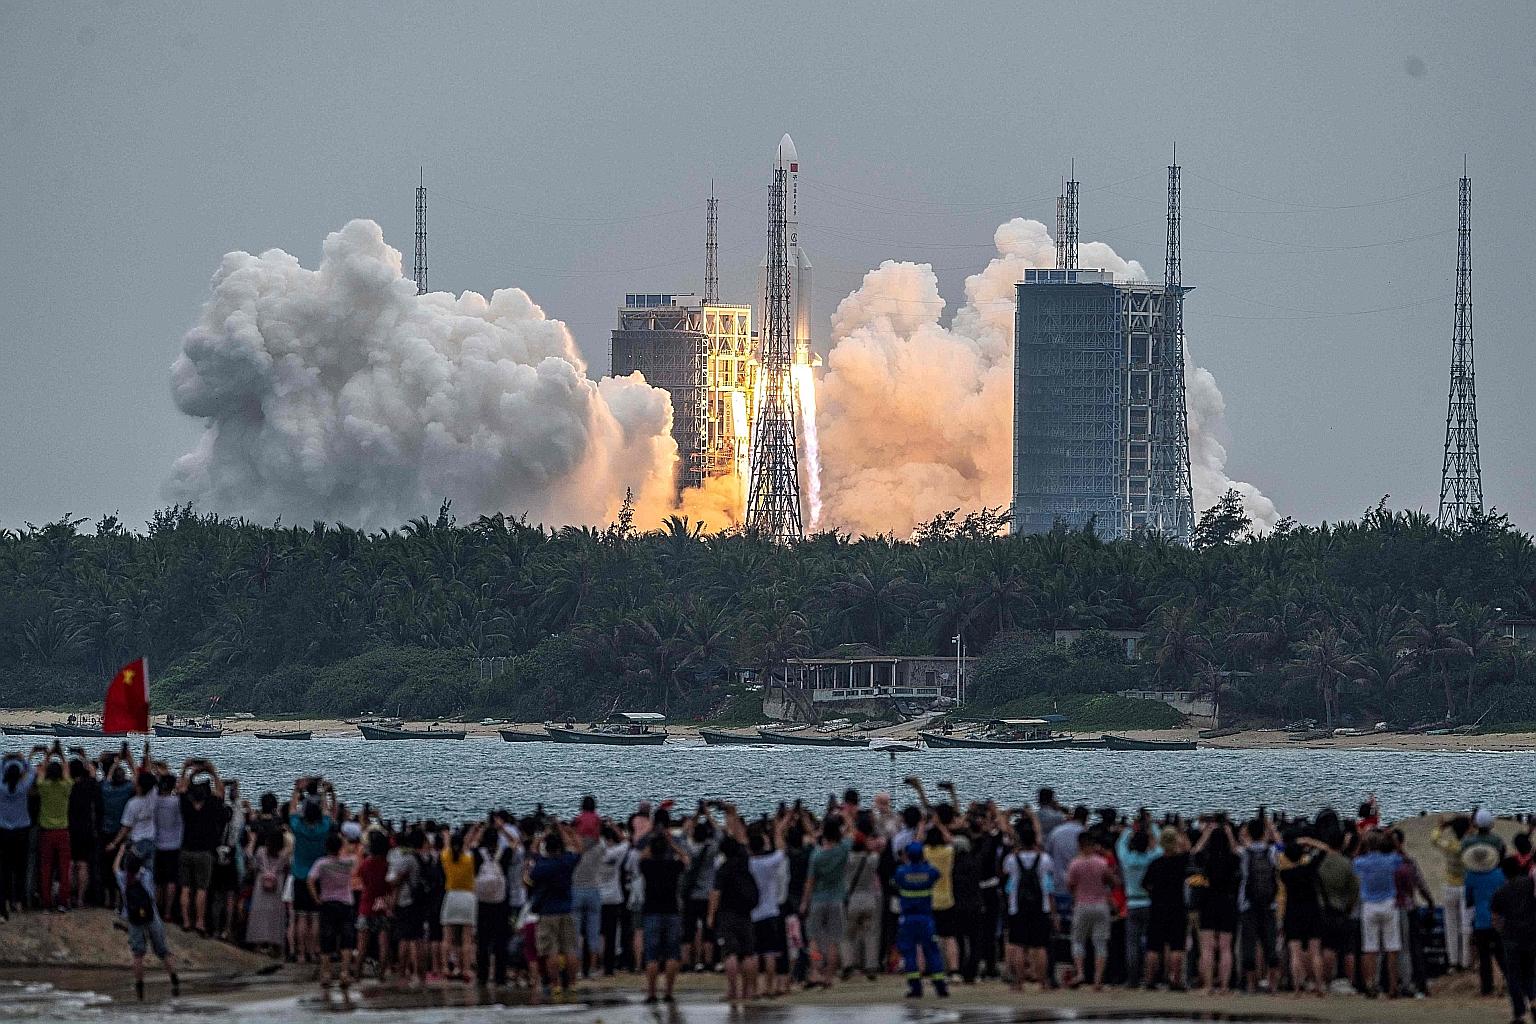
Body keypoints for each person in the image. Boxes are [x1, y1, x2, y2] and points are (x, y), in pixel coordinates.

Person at [114, 846, 179, 1002]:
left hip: (133, 918)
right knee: (162, 951)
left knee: (138, 954)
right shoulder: (146, 876)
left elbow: (114, 867)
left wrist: (121, 851)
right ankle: (174, 979)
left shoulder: (122, 878)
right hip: (152, 916)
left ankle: (140, 988)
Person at [527, 820, 581, 1000]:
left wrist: (541, 836)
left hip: (547, 911)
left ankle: (555, 984)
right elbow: (579, 849)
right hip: (566, 909)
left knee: (551, 951)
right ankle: (572, 984)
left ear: (547, 848)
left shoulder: (543, 865)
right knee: (570, 949)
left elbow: (532, 854)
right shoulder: (567, 862)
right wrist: (566, 833)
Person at [1002, 814, 1053, 992]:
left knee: (1018, 945)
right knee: (1039, 946)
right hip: (1041, 906)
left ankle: (1018, 982)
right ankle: (1042, 982)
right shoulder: (1045, 859)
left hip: (1017, 906)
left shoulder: (1011, 860)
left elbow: (1006, 874)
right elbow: (1048, 884)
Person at [177, 762, 229, 935]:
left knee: (185, 887)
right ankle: (199, 922)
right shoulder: (211, 806)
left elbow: (181, 788)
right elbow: (221, 791)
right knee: (201, 889)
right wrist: (212, 771)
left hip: (186, 849)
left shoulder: (185, 805)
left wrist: (187, 770)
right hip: (204, 852)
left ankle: (185, 921)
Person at [639, 827, 689, 1002]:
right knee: (672, 954)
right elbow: (686, 859)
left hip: (652, 910)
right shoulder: (673, 866)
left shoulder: (648, 866)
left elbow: (641, 857)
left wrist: (652, 843)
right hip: (671, 910)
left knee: (651, 955)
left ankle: (651, 993)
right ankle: (668, 992)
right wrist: (672, 844)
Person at [893, 841, 949, 998]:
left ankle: (915, 987)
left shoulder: (902, 872)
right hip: (926, 918)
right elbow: (937, 874)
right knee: (932, 952)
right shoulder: (929, 872)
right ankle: (940, 987)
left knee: (909, 953)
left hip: (908, 919)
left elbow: (895, 882)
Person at [710, 827, 760, 1001]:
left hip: (727, 913)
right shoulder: (744, 861)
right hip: (745, 912)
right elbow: (742, 840)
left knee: (730, 953)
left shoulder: (722, 869)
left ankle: (733, 991)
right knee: (747, 953)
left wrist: (711, 915)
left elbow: (715, 894)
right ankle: (750, 991)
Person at [1352, 829, 1404, 997]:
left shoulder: (1363, 862)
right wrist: (1393, 840)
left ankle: (1371, 984)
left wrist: (1361, 842)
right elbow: (1402, 857)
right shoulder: (1390, 860)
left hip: (1369, 905)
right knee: (1392, 948)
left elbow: (1354, 859)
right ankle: (1393, 986)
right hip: (1389, 903)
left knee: (1370, 948)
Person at [307, 832, 358, 1003]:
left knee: (327, 938)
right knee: (347, 938)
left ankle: (326, 973)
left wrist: (316, 898)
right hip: (346, 902)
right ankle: (344, 973)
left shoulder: (321, 863)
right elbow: (356, 856)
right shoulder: (348, 862)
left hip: (328, 902)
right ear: (340, 847)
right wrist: (344, 844)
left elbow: (310, 880)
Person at [288, 777, 334, 962]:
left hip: (299, 874)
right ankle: (314, 951)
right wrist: (323, 793)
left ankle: (300, 954)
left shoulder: (298, 827)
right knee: (315, 918)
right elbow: (327, 812)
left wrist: (297, 791)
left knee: (300, 917)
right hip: (317, 876)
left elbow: (292, 810)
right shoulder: (324, 828)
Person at [801, 816, 850, 987]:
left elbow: (810, 882)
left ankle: (815, 970)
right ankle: (829, 976)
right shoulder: (844, 849)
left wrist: (804, 903)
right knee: (833, 941)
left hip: (818, 899)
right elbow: (850, 831)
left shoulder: (817, 855)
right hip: (837, 899)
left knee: (814, 939)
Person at [1067, 831, 1117, 990]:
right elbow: (1113, 881)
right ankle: (1097, 979)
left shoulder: (1075, 864)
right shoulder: (1101, 862)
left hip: (1082, 904)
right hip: (1101, 905)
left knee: (1078, 940)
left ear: (1079, 845)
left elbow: (1070, 885)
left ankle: (1081, 972)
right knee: (1100, 943)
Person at [1142, 826, 1189, 989]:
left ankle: (1150, 979)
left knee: (1153, 946)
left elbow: (1145, 884)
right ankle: (1175, 979)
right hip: (1176, 907)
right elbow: (1189, 851)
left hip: (1157, 907)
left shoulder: (1155, 863)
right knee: (1177, 946)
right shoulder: (1181, 862)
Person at [1491, 854, 1536, 1022]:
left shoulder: (1500, 892)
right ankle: (1533, 1000)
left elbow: (1495, 919)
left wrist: (1502, 932)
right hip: (1531, 935)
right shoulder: (1529, 884)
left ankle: (1519, 1013)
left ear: (1504, 872)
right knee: (1531, 972)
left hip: (1511, 938)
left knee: (1514, 976)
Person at [1117, 820, 1162, 988]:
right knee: (1150, 943)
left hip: (1132, 903)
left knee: (1132, 944)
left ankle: (1133, 979)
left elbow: (1120, 845)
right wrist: (1153, 828)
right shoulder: (1151, 858)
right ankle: (1150, 977)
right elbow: (1160, 848)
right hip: (1149, 902)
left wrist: (1128, 830)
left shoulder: (1127, 860)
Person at [1465, 837, 1507, 997]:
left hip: (1480, 921)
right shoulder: (1499, 874)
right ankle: (1508, 982)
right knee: (1501, 954)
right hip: (1497, 921)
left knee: (1484, 957)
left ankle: (1486, 987)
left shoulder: (1471, 876)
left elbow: (1468, 899)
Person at [1432, 814, 1474, 970]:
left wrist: (1441, 827)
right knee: (1465, 926)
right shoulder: (1468, 845)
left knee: (1450, 925)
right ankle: (1465, 961)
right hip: (1464, 886)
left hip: (1449, 886)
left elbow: (1434, 839)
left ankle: (1453, 961)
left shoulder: (1449, 845)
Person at [0, 749, 38, 918]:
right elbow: (32, 771)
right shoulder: (23, 787)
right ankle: (19, 901)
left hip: (3, 832)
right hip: (22, 832)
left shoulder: (1, 787)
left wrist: (5, 758)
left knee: (5, 869)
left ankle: (6, 900)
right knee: (21, 868)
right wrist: (23, 759)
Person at [842, 832, 883, 980]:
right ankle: (871, 966)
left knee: (848, 936)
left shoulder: (847, 859)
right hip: (869, 899)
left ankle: (848, 965)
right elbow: (877, 852)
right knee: (871, 934)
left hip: (852, 899)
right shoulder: (872, 859)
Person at [65, 750, 102, 909]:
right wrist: (84, 756)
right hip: (86, 829)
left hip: (68, 827)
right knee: (83, 864)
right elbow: (93, 774)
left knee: (70, 864)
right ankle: (80, 899)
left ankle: (68, 897)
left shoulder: (66, 786)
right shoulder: (89, 785)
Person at [354, 830, 393, 981]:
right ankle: (381, 974)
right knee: (383, 943)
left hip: (367, 904)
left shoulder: (366, 864)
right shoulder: (387, 864)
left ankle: (357, 973)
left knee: (362, 944)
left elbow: (362, 878)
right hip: (382, 904)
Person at [439, 828, 477, 980]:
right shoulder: (469, 858)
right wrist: (474, 831)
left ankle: (445, 967)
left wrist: (446, 836)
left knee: (447, 937)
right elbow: (466, 846)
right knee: (466, 938)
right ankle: (465, 969)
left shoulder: (446, 857)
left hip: (452, 896)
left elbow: (448, 848)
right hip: (467, 897)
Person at [244, 829, 288, 953]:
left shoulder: (261, 851)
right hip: (277, 886)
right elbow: (286, 868)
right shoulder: (284, 855)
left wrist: (252, 842)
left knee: (259, 914)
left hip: (261, 885)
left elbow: (252, 863)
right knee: (275, 915)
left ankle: (257, 944)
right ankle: (275, 945)